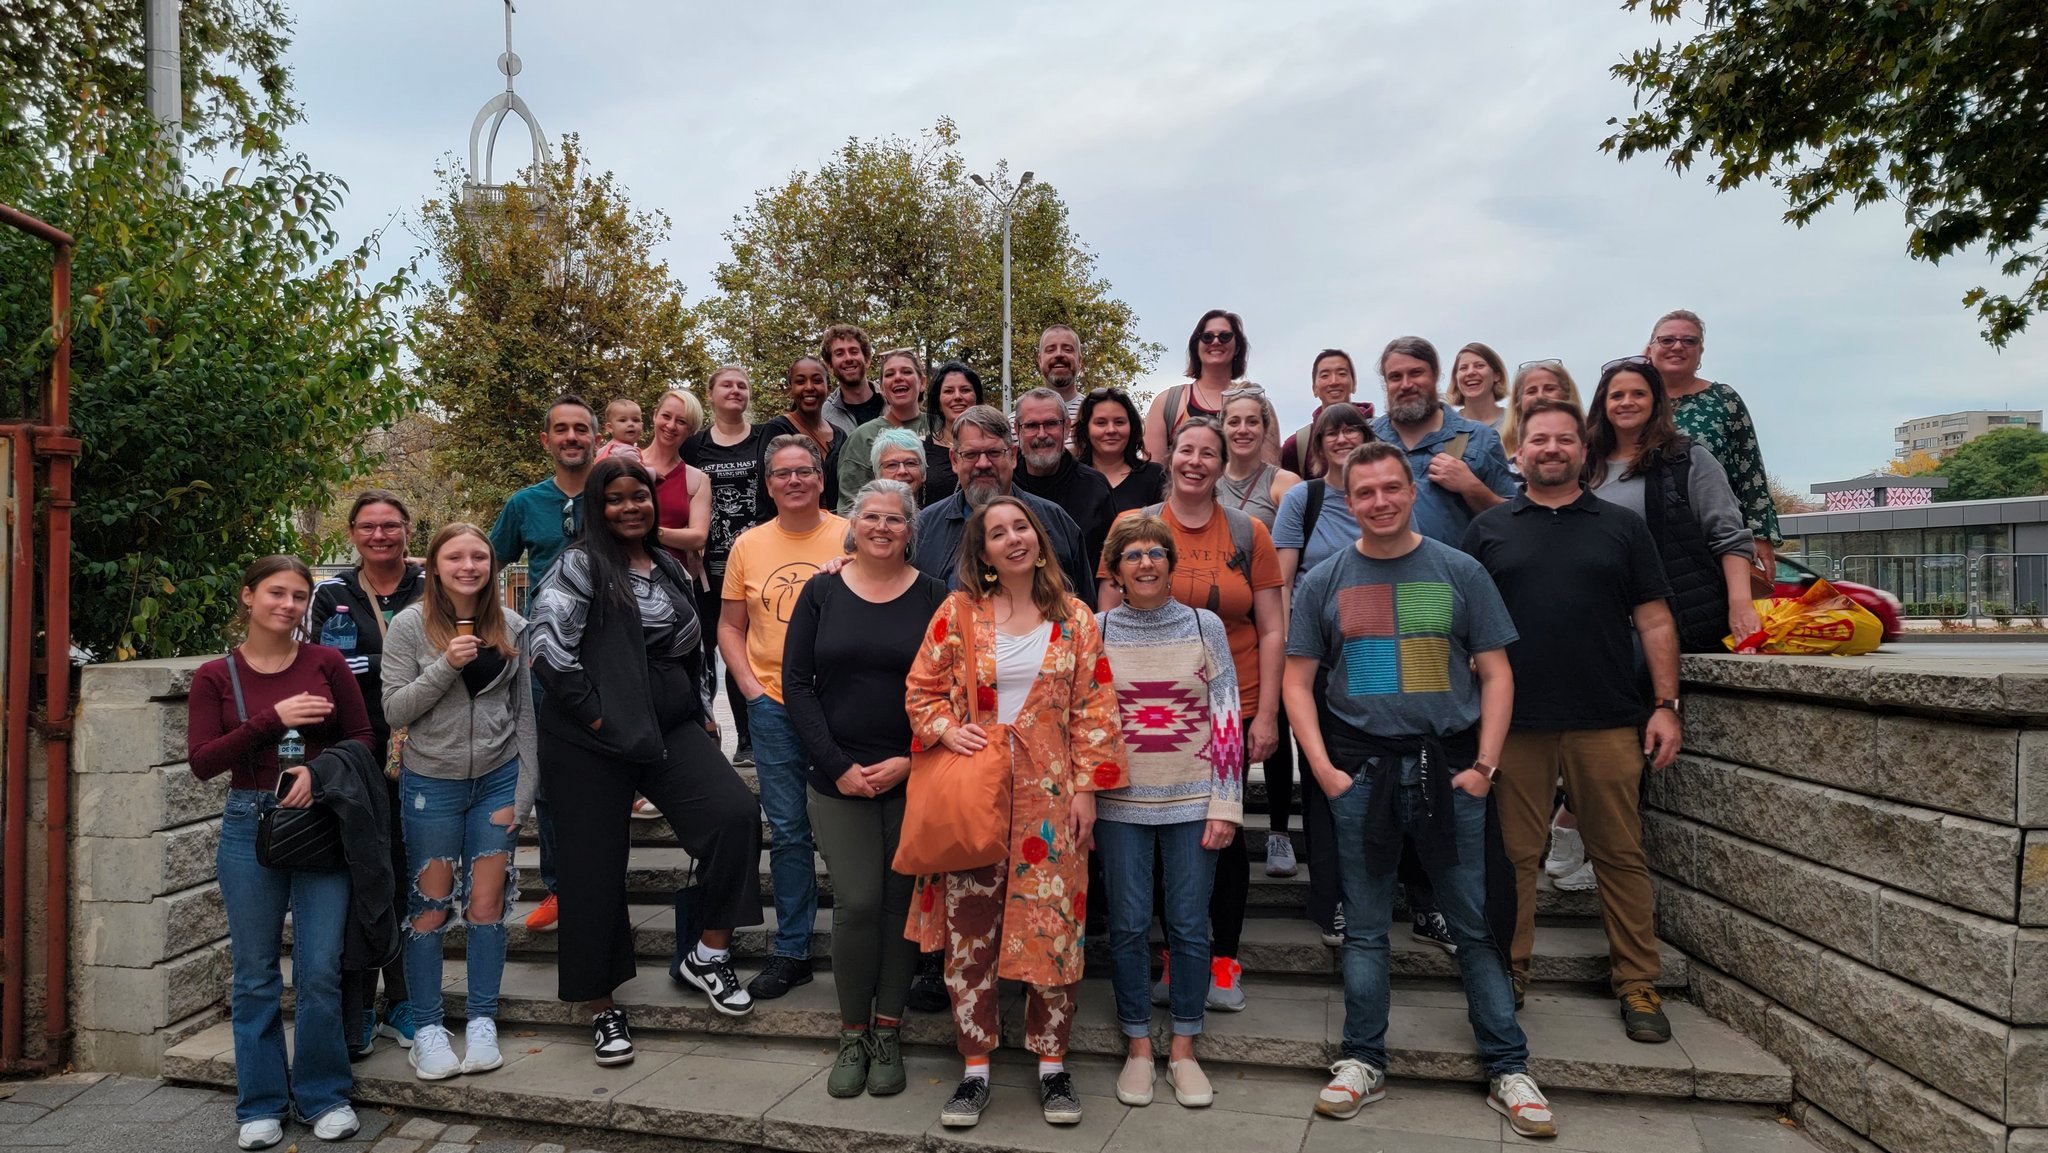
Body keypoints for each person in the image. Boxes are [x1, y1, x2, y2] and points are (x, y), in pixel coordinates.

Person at [1282, 443, 1556, 1140]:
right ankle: (1361, 1058)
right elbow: (1297, 678)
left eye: (1389, 488)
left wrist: (1485, 766)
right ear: (1347, 499)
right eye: (1363, 491)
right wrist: (1323, 769)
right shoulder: (1325, 580)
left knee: (1473, 924)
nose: (1377, 500)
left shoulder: (1460, 569)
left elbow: (1496, 672)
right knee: (1366, 927)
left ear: (1410, 491)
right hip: (1361, 772)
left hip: (1450, 769)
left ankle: (1508, 1065)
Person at [1462, 398, 1683, 1043]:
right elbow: (1466, 628)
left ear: (1583, 451)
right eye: (1539, 440)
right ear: (1520, 453)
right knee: (1514, 857)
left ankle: (1638, 983)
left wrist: (1666, 706)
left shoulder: (1620, 527)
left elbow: (1655, 619)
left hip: (1607, 718)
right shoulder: (1492, 529)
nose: (1552, 449)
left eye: (1564, 439)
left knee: (1618, 853)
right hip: (1516, 725)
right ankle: (1510, 971)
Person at [529, 456, 764, 1061]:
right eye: (615, 499)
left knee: (734, 815)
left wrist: (701, 706)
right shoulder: (580, 564)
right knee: (592, 869)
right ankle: (601, 1007)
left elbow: (690, 646)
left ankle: (706, 955)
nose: (630, 507)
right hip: (589, 742)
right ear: (594, 508)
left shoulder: (666, 564)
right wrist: (601, 717)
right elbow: (547, 650)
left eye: (640, 497)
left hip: (669, 729)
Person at [903, 496, 1126, 1130]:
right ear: (984, 553)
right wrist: (947, 729)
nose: (1012, 539)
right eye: (997, 533)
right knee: (971, 932)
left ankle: (1052, 1064)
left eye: (1020, 527)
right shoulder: (958, 613)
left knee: (1051, 932)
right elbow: (920, 690)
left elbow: (1095, 711)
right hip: (975, 799)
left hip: (1051, 804)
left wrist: (1088, 791)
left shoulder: (1077, 618)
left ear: (1038, 537)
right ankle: (975, 1069)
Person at [1099, 417, 1283, 1012]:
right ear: (1167, 456)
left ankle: (1218, 960)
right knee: (1148, 870)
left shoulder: (1246, 528)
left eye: (1210, 452)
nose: (1196, 461)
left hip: (1231, 698)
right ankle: (1168, 964)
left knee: (1218, 848)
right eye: (1186, 450)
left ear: (1224, 461)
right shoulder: (1136, 525)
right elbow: (1107, 631)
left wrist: (1267, 714)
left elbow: (1273, 625)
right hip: (1143, 709)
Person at [189, 556, 371, 1149]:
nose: (288, 605)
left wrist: (320, 773)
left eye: (298, 596)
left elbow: (364, 737)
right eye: (276, 593)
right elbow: (202, 762)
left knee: (319, 969)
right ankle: (261, 1103)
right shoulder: (217, 676)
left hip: (321, 822)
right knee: (255, 974)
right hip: (248, 822)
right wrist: (274, 718)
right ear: (248, 596)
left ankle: (323, 1096)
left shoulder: (327, 661)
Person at [781, 479, 948, 1098]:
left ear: (911, 529)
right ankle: (851, 1031)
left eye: (895, 519)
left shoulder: (936, 596)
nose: (882, 527)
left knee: (900, 907)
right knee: (856, 902)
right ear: (855, 525)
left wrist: (912, 759)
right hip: (836, 776)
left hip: (914, 775)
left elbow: (954, 690)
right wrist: (837, 764)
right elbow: (795, 685)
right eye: (871, 517)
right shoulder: (822, 589)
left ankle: (887, 1030)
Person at [379, 524, 538, 1080]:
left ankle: (482, 1021)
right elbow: (395, 711)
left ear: (492, 565)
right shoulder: (407, 627)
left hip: (496, 783)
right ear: (435, 566)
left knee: (487, 906)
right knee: (429, 907)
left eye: (479, 556)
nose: (468, 565)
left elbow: (526, 721)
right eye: (455, 556)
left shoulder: (513, 625)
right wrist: (446, 663)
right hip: (432, 787)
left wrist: (522, 796)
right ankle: (426, 1027)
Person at [1095, 514, 1240, 1110]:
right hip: (1118, 805)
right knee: (1127, 926)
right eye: (1134, 555)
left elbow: (1227, 715)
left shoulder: (1206, 625)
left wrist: (1226, 804)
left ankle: (1183, 1047)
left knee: (1187, 925)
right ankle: (1136, 1046)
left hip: (1192, 801)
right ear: (1117, 569)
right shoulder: (1096, 626)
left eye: (1157, 553)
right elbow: (1083, 716)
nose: (1147, 563)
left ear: (1171, 563)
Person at [719, 436, 850, 1001]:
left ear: (821, 479)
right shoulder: (748, 545)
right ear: (768, 484)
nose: (794, 481)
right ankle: (792, 949)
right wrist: (749, 687)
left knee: (850, 830)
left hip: (842, 705)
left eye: (804, 472)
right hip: (773, 704)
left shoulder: (851, 532)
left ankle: (859, 944)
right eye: (782, 474)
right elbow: (729, 625)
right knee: (790, 832)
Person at [310, 491, 424, 1057]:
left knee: (406, 878)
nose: (380, 536)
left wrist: (368, 663)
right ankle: (357, 1003)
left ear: (407, 529)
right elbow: (321, 669)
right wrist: (397, 663)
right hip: (353, 755)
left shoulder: (432, 586)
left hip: (419, 753)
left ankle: (402, 1000)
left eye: (390, 526)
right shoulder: (331, 595)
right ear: (353, 533)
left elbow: (449, 655)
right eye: (368, 527)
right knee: (361, 877)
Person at [489, 393, 595, 933]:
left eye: (581, 429)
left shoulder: (614, 492)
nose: (572, 437)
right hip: (545, 658)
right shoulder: (524, 504)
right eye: (562, 429)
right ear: (546, 440)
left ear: (595, 437)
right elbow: (485, 567)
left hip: (608, 652)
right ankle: (559, 887)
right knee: (549, 772)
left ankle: (601, 883)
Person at [1271, 402, 1374, 945]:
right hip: (1318, 655)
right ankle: (1330, 899)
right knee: (1320, 775)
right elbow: (1283, 581)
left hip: (1378, 654)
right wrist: (1294, 651)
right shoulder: (1303, 500)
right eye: (1331, 433)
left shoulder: (1386, 492)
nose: (1342, 441)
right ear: (1317, 446)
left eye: (1352, 431)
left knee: (1379, 772)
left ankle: (1386, 894)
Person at [1586, 359, 1763, 650]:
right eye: (1617, 395)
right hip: (1603, 625)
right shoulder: (1584, 469)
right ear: (1602, 405)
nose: (1627, 402)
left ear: (1657, 401)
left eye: (1638, 394)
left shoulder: (1688, 459)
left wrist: (1741, 605)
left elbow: (1729, 537)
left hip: (1678, 622)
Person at [1216, 386, 1302, 878]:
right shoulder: (1207, 480)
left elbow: (1293, 558)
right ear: (1223, 426)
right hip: (1220, 621)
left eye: (1253, 421)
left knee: (1273, 726)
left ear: (1265, 427)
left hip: (1269, 615)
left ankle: (1277, 832)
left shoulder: (1283, 482)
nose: (1244, 429)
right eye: (1235, 421)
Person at [913, 405, 1095, 605]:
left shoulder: (1056, 522)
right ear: (955, 460)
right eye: (971, 454)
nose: (983, 464)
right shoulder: (925, 528)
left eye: (994, 452)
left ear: (1013, 456)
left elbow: (1085, 607)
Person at [1646, 308, 1782, 573]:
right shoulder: (1633, 399)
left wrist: (1760, 535)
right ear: (1650, 348)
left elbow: (1750, 471)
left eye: (1689, 341)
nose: (1678, 347)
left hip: (1714, 535)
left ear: (1700, 351)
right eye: (1667, 340)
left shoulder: (1724, 399)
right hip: (1647, 532)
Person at [682, 365, 769, 769]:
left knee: (749, 650)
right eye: (727, 385)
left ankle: (750, 740)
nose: (735, 390)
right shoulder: (694, 446)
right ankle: (708, 732)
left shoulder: (765, 438)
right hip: (706, 570)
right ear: (711, 393)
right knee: (708, 651)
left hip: (756, 566)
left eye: (742, 385)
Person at [1371, 337, 1518, 545]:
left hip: (1455, 576)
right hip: (1381, 576)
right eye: (1395, 377)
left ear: (1435, 374)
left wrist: (1472, 487)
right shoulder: (1367, 441)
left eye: (1416, 373)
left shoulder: (1480, 438)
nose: (1406, 384)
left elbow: (1514, 523)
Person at [1143, 309, 1277, 463]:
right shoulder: (1167, 403)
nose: (1216, 341)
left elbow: (1270, 470)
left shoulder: (1257, 403)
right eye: (1207, 337)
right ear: (1196, 347)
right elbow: (1152, 475)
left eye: (1225, 336)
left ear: (1237, 347)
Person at [1012, 386, 1114, 574]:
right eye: (1032, 425)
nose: (1042, 435)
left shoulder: (1094, 489)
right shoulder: (1003, 484)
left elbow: (1109, 569)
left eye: (1051, 424)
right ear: (1017, 430)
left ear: (1067, 427)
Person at [838, 349, 929, 510]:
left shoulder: (940, 428)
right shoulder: (863, 437)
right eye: (889, 374)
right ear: (881, 388)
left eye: (906, 372)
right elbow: (849, 505)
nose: (898, 377)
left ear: (922, 383)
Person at [758, 357, 845, 515]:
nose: (809, 387)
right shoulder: (776, 430)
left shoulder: (840, 436)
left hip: (835, 529)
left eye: (817, 381)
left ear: (829, 387)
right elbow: (767, 489)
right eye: (800, 381)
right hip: (790, 528)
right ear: (791, 388)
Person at [1281, 349, 1372, 479]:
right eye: (1325, 376)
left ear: (1354, 384)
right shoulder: (1298, 445)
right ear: (1314, 388)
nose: (1334, 381)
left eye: (1341, 374)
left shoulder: (1380, 431)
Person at [1078, 387, 1165, 518]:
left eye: (1119, 422)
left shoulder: (1155, 477)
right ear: (1086, 429)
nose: (1111, 430)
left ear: (1132, 426)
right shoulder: (1070, 479)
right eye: (1101, 423)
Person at [921, 362, 981, 506]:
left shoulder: (995, 448)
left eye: (965, 390)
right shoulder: (920, 449)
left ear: (977, 398)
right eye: (948, 391)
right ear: (938, 402)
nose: (957, 397)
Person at [1501, 360, 1583, 463]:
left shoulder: (1590, 442)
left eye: (1549, 389)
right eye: (1531, 391)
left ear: (1566, 395)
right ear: (1519, 401)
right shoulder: (1500, 448)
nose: (1540, 396)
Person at [820, 324, 882, 435]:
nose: (848, 358)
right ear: (830, 365)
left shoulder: (891, 401)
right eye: (839, 354)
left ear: (867, 359)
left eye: (854, 352)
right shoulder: (825, 417)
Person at [1037, 325, 1086, 437]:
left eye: (1067, 349)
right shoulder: (1016, 423)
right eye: (1050, 350)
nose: (1059, 354)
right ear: (1040, 361)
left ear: (1079, 361)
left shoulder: (1098, 417)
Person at [1449, 343, 1509, 431]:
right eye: (1463, 368)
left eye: (1479, 366)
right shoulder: (1446, 429)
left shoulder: (1517, 423)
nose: (1470, 372)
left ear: (1496, 375)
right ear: (1456, 378)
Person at [871, 427, 928, 497]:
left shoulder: (939, 507)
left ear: (923, 473)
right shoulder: (868, 508)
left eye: (910, 463)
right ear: (877, 475)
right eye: (891, 465)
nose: (902, 471)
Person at [594, 398, 644, 462]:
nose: (631, 424)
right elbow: (638, 471)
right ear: (610, 427)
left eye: (636, 420)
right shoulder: (627, 453)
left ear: (642, 426)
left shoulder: (605, 449)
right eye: (623, 420)